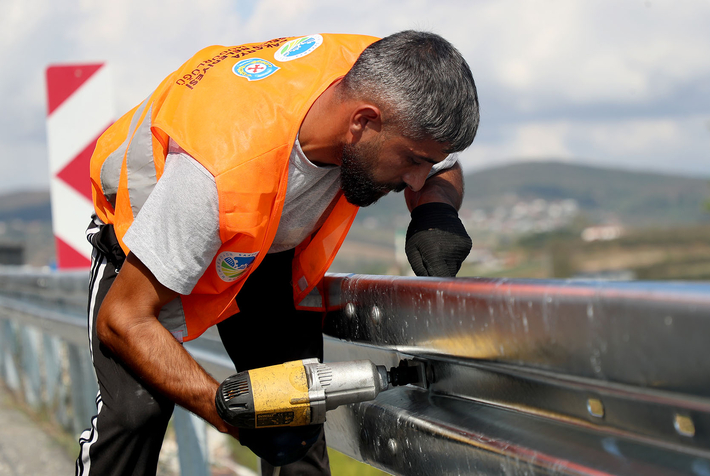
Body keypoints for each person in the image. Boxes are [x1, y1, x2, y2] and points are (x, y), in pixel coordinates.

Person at [75, 30, 479, 476]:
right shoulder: (215, 173)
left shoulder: (393, 81)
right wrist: (226, 411)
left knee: (297, 418)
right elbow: (124, 319)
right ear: (361, 123)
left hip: (261, 245)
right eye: (413, 161)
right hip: (155, 234)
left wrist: (435, 213)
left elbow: (445, 164)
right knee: (136, 415)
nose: (419, 179)